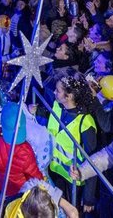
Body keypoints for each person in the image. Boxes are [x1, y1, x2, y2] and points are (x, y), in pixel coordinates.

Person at [47, 74, 97, 214]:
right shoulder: (57, 106)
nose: (54, 93)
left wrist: (89, 197)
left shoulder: (85, 122)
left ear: (68, 96)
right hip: (54, 170)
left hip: (73, 179)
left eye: (58, 90)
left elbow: (92, 159)